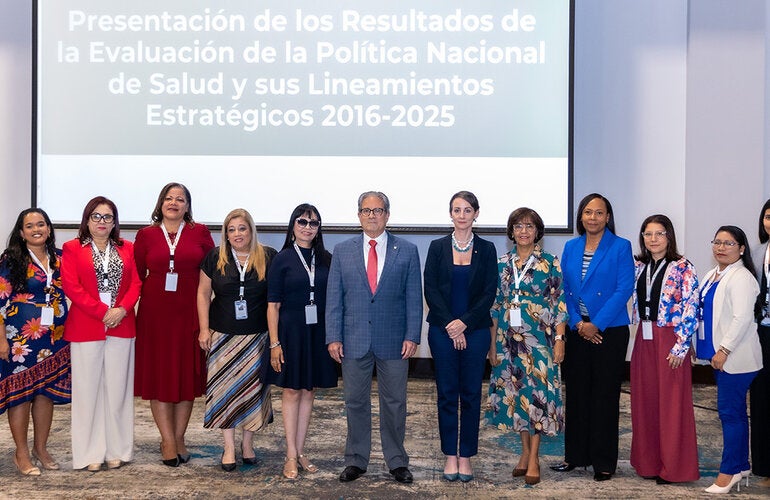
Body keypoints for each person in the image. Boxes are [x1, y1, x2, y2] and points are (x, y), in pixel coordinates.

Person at [326, 191, 423, 484]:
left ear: (387, 215)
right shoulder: (342, 250)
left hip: (394, 340)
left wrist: (413, 335)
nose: (372, 215)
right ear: (358, 215)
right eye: (366, 210)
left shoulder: (406, 250)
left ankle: (396, 462)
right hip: (353, 339)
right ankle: (356, 460)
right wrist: (333, 337)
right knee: (355, 402)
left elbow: (414, 298)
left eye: (378, 210)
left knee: (395, 403)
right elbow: (334, 299)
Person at [551, 193, 634, 481]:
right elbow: (564, 290)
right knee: (575, 394)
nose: (593, 218)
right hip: (577, 331)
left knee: (604, 396)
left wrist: (595, 324)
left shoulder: (621, 246)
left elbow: (623, 289)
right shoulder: (571, 246)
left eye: (599, 213)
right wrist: (577, 323)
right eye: (588, 212)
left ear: (608, 217)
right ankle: (575, 456)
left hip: (608, 331)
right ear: (581, 216)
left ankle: (603, 461)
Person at [134, 182, 215, 466]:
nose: (174, 203)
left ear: (187, 205)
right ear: (160, 203)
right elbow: (137, 273)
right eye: (169, 198)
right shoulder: (145, 235)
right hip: (155, 316)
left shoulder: (200, 232)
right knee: (160, 377)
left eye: (180, 199)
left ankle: (179, 436)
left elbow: (211, 271)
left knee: (185, 377)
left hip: (189, 314)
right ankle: (167, 439)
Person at [486, 207, 567, 486]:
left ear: (537, 231)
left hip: (540, 343)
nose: (523, 231)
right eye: (518, 226)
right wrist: (492, 345)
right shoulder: (501, 263)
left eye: (529, 226)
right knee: (517, 398)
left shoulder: (549, 262)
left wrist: (559, 340)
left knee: (537, 400)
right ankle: (523, 453)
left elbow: (559, 304)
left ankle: (534, 458)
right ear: (511, 231)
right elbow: (495, 307)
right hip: (509, 343)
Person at [61, 196, 141, 471]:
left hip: (122, 324)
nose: (102, 222)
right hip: (87, 325)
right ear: (87, 220)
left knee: (118, 390)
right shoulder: (72, 248)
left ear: (115, 222)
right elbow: (72, 286)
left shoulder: (127, 248)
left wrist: (121, 310)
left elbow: (136, 283)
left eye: (108, 217)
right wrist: (102, 311)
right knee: (88, 391)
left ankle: (118, 449)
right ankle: (90, 453)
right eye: (96, 216)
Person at [424, 191, 497, 483]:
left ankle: (465, 455)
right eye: (457, 209)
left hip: (477, 331)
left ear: (476, 213)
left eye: (468, 210)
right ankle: (449, 456)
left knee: (470, 394)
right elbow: (431, 289)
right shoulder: (437, 247)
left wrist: (464, 324)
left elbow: (488, 293)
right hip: (442, 331)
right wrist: (451, 325)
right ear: (450, 214)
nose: (462, 215)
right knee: (446, 394)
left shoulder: (487, 249)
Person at [197, 209, 275, 472]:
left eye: (242, 228)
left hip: (257, 338)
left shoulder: (268, 256)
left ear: (251, 230)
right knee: (225, 393)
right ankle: (229, 446)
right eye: (231, 230)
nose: (237, 234)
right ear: (225, 234)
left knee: (254, 393)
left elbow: (275, 301)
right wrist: (204, 329)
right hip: (222, 335)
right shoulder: (214, 257)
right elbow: (203, 293)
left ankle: (248, 444)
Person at [266, 204, 338, 479]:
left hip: (318, 333)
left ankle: (301, 451)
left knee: (309, 390)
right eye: (303, 221)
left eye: (314, 223)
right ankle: (290, 454)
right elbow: (272, 305)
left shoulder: (327, 259)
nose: (308, 227)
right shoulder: (282, 259)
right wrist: (275, 343)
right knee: (292, 391)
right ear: (293, 225)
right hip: (290, 334)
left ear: (319, 229)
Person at [629, 215, 699, 484]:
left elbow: (691, 307)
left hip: (670, 339)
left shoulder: (683, 267)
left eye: (659, 233)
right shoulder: (639, 266)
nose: (653, 239)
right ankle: (648, 464)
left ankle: (675, 468)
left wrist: (681, 346)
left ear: (669, 237)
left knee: (671, 405)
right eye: (648, 234)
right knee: (644, 402)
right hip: (644, 339)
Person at [0, 208, 70, 476]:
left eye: (41, 224)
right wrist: (1, 341)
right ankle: (21, 453)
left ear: (49, 228)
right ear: (21, 232)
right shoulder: (11, 259)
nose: (36, 229)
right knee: (20, 396)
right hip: (20, 341)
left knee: (45, 395)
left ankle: (41, 448)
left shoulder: (61, 258)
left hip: (54, 339)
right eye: (30, 226)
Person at [698, 226, 762, 494]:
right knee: (733, 413)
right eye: (718, 242)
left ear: (742, 248)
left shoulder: (742, 278)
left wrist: (724, 349)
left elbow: (742, 318)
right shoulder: (712, 274)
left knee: (729, 415)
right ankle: (742, 465)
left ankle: (730, 471)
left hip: (736, 358)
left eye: (729, 243)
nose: (721, 247)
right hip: (718, 358)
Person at [751, 199, 770, 488]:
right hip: (760, 333)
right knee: (762, 398)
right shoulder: (756, 252)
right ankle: (764, 465)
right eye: (768, 216)